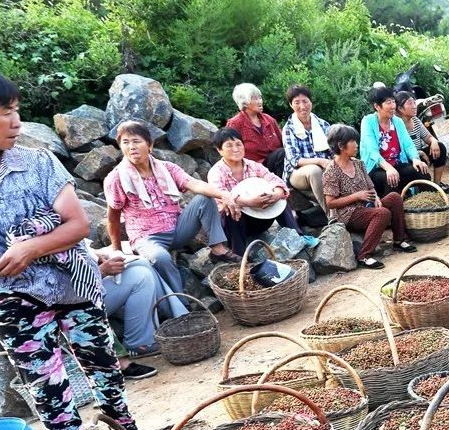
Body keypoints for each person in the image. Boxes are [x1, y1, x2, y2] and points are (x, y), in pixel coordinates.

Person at [0, 62, 140, 430]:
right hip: (8, 295)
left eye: (16, 110)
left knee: (103, 369)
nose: (17, 121)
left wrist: (31, 247)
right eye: (5, 111)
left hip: (71, 282)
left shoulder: (37, 162)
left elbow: (77, 224)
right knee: (46, 385)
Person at [104, 120, 239, 296]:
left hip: (177, 229)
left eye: (136, 141)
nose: (131, 147)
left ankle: (218, 248)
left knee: (204, 198)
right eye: (125, 142)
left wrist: (224, 194)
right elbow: (112, 216)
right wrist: (116, 250)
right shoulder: (116, 178)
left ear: (150, 144)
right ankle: (180, 303)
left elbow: (194, 183)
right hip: (147, 238)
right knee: (161, 258)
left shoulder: (166, 168)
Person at [323, 124, 416, 269]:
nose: (356, 145)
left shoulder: (359, 163)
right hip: (348, 214)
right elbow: (330, 203)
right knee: (382, 213)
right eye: (353, 141)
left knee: (394, 197)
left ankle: (399, 240)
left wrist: (377, 198)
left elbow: (370, 185)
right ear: (341, 146)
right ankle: (364, 256)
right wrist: (357, 196)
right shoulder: (331, 171)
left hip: (366, 208)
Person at [94, 243, 187, 372]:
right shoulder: (58, 238)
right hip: (78, 300)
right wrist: (101, 270)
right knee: (141, 276)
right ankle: (138, 343)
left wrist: (97, 257)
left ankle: (179, 318)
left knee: (142, 263)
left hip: (93, 284)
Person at [208, 127, 298, 255]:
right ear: (220, 150)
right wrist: (249, 202)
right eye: (229, 146)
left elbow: (276, 180)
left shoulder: (253, 166)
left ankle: (297, 236)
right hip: (234, 226)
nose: (236, 149)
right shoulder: (216, 172)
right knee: (230, 209)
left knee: (279, 200)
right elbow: (219, 196)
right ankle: (238, 253)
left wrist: (276, 195)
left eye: (239, 144)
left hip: (260, 218)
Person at [359, 86, 428, 197]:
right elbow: (372, 152)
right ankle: (394, 211)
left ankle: (433, 206)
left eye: (393, 102)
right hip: (377, 168)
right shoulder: (368, 122)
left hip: (396, 164)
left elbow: (408, 144)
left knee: (420, 169)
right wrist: (388, 168)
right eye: (388, 103)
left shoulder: (397, 121)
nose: (393, 106)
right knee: (391, 179)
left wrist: (415, 159)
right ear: (377, 106)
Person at [281, 85, 333, 215]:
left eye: (305, 101)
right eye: (297, 103)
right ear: (291, 105)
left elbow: (334, 151)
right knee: (315, 171)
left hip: (325, 167)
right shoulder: (289, 128)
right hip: (297, 174)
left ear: (311, 102)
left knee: (351, 162)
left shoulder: (323, 124)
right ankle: (332, 215)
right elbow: (294, 160)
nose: (302, 106)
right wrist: (320, 161)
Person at [394, 91, 449, 194]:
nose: (414, 106)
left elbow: (428, 137)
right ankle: (427, 189)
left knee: (440, 147)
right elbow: (398, 151)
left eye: (414, 102)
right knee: (420, 163)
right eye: (410, 103)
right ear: (400, 108)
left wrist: (434, 141)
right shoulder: (396, 125)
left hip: (420, 157)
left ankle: (437, 184)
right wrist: (419, 153)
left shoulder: (416, 120)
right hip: (407, 161)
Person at [226, 83, 284, 174]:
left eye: (260, 98)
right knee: (281, 154)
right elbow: (230, 151)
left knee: (283, 153)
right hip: (253, 168)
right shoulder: (235, 123)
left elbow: (283, 141)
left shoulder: (269, 120)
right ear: (245, 102)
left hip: (277, 164)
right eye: (255, 98)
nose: (260, 101)